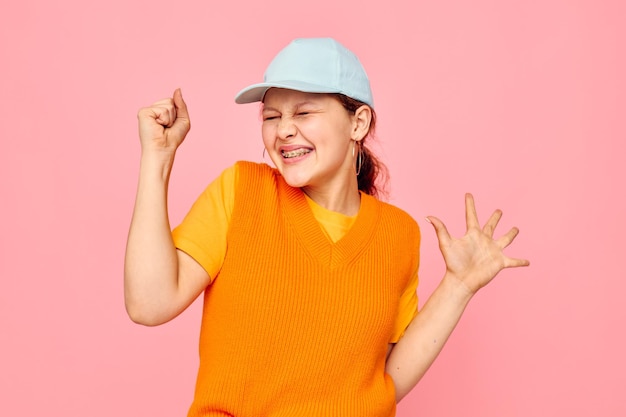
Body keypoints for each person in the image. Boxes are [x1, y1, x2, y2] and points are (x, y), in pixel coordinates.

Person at [125, 37, 529, 416]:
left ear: (358, 123)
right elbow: (149, 304)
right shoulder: (241, 191)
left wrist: (458, 287)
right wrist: (157, 159)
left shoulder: (398, 234)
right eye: (271, 115)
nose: (283, 129)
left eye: (303, 112)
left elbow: (380, 380)